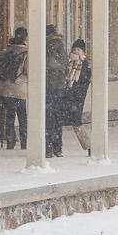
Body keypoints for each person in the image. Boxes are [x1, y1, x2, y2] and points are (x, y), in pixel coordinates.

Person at [0, 27, 30, 150]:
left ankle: (10, 142)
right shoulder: (27, 53)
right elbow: (28, 71)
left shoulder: (7, 50)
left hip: (7, 89)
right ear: (26, 38)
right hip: (20, 90)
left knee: (10, 117)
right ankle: (24, 143)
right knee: (23, 118)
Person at [44, 24, 70, 157]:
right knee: (57, 118)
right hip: (60, 88)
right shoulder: (61, 47)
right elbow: (66, 67)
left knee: (47, 118)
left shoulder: (46, 47)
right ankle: (58, 147)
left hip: (48, 87)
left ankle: (48, 148)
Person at [65, 38, 94, 154]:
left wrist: (74, 92)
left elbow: (83, 82)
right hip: (67, 96)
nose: (76, 51)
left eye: (78, 50)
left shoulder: (84, 65)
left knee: (76, 122)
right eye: (74, 49)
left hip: (77, 98)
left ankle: (89, 146)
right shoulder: (69, 62)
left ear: (83, 52)